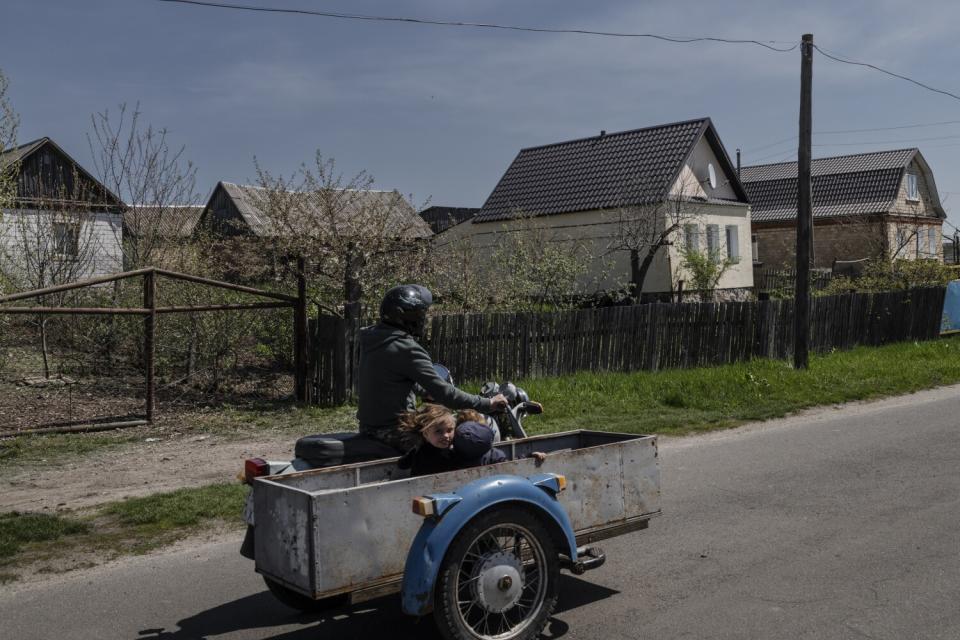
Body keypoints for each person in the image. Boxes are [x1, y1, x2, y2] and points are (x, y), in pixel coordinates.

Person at [357, 284, 507, 451]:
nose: (423, 319)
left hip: (369, 428)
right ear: (403, 315)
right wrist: (488, 403)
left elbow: (392, 378)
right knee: (468, 436)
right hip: (396, 432)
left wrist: (424, 390)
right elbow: (446, 394)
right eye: (420, 314)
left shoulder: (374, 340)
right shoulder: (406, 348)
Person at [396, 405, 507, 476]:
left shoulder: (418, 449)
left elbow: (402, 464)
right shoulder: (449, 455)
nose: (445, 435)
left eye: (450, 430)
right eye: (438, 431)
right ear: (425, 434)